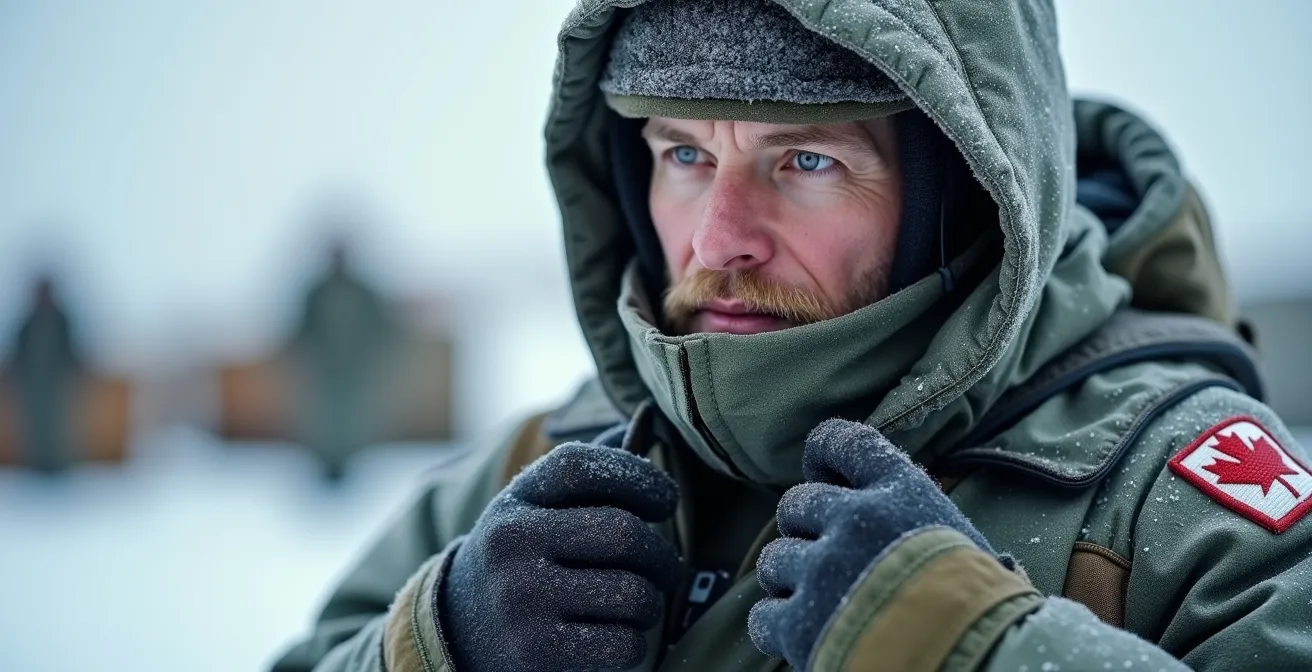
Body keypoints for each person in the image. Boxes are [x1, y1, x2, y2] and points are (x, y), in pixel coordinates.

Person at [274, 0, 1312, 669]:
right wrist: (437, 646)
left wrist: (977, 652)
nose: (718, 242)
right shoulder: (551, 460)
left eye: (804, 162)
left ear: (967, 192)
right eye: (682, 155)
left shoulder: (1165, 493)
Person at [290, 239, 394, 481]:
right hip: (328, 378)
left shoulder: (363, 291)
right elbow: (301, 333)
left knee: (343, 418)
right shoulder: (317, 292)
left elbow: (383, 329)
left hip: (353, 377)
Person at [6, 274, 83, 474]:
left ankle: (57, 464)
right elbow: (17, 352)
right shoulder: (28, 322)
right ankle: (37, 464)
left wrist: (77, 371)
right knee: (35, 426)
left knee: (58, 426)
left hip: (57, 385)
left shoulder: (61, 320)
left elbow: (71, 349)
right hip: (33, 385)